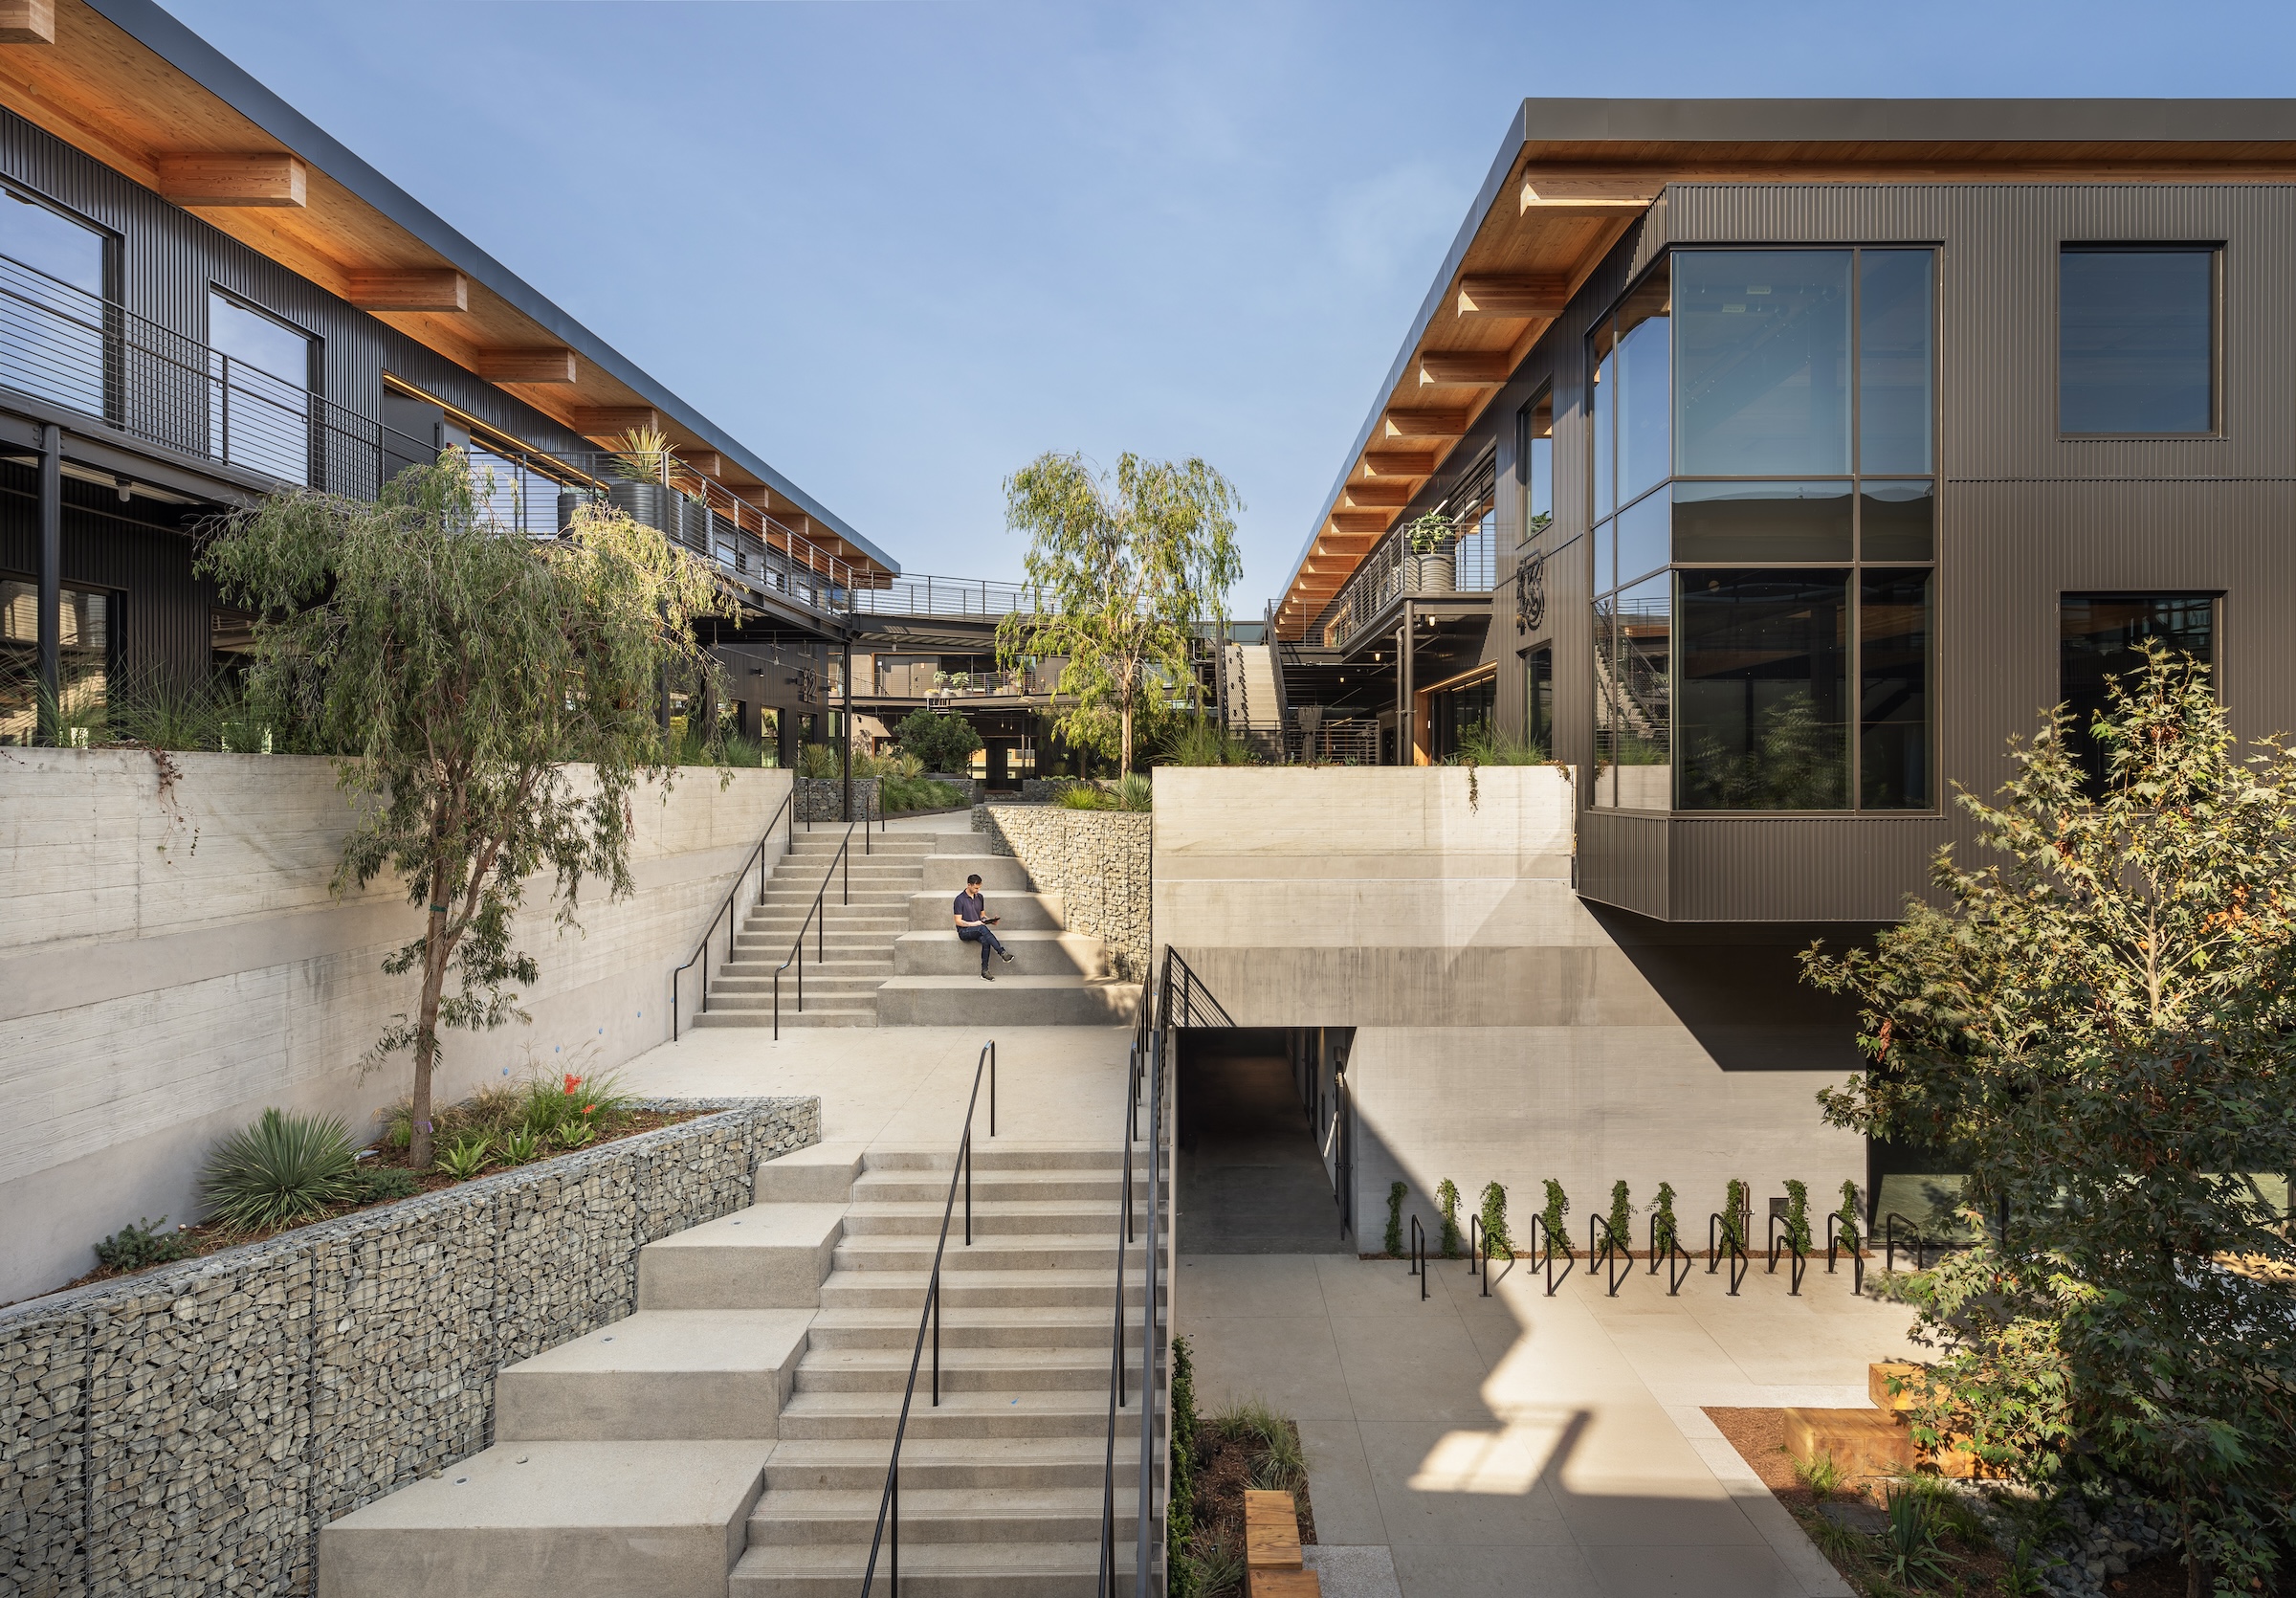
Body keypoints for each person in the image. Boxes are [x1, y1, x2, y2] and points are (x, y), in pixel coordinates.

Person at [953, 872, 1014, 980]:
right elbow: (958, 921)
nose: (978, 890)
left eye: (979, 888)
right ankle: (1002, 952)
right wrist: (974, 924)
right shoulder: (959, 899)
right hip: (964, 931)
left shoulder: (980, 897)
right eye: (976, 888)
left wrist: (990, 920)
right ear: (969, 885)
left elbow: (982, 916)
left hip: (978, 929)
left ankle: (984, 972)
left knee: (986, 940)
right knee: (982, 928)